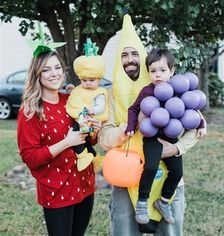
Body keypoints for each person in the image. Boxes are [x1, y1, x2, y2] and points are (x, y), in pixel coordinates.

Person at [98, 14, 206, 235]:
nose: (129, 59)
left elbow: (192, 122)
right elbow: (102, 135)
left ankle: (163, 201)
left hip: (167, 173)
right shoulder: (108, 95)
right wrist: (125, 131)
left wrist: (176, 148)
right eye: (124, 55)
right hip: (126, 176)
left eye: (135, 54)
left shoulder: (170, 89)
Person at [17, 48, 102, 236]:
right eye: (46, 69)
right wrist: (66, 142)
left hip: (84, 184)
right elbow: (30, 157)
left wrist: (93, 131)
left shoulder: (71, 101)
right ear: (37, 74)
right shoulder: (31, 111)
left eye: (57, 67)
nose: (54, 73)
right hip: (57, 191)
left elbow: (88, 141)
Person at [125, 48, 206, 225]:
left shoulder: (178, 90)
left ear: (172, 71)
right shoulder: (147, 91)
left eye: (162, 70)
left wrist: (200, 124)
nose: (157, 75)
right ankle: (142, 202)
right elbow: (133, 109)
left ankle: (163, 201)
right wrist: (131, 126)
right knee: (150, 168)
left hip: (172, 136)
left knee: (177, 172)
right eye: (153, 71)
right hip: (152, 136)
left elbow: (190, 109)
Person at [66, 38, 108, 173]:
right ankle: (95, 158)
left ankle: (82, 155)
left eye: (91, 80)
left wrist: (93, 110)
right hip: (82, 119)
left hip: (90, 120)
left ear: (99, 79)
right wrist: (72, 91)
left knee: (75, 133)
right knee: (84, 141)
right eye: (84, 80)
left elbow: (101, 107)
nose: (88, 83)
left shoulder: (100, 93)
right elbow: (78, 96)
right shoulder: (81, 89)